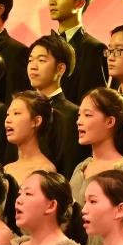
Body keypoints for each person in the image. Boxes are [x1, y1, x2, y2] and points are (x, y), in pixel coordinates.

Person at [69, 88, 123, 245]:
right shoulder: (81, 167)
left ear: (110, 122)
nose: (79, 121)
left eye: (88, 115)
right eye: (79, 115)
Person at [28, 34, 85, 178]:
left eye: (41, 60)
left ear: (60, 69)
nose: (33, 66)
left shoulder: (72, 114)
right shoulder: (21, 109)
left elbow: (69, 166)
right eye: (30, 60)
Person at [47, 0, 108, 103]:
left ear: (80, 3)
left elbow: (94, 101)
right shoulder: (44, 46)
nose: (52, 1)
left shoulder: (93, 48)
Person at [4, 91, 56, 184]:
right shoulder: (6, 169)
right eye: (8, 114)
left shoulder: (44, 170)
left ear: (36, 121)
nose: (8, 120)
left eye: (16, 113)